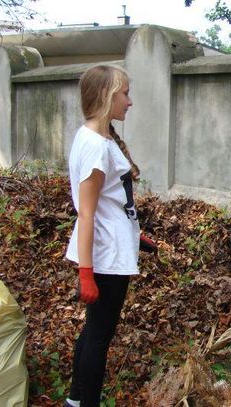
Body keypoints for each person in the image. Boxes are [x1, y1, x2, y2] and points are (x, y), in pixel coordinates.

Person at [63, 64, 154, 407]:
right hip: (104, 254)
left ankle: (74, 400)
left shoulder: (95, 137)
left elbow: (107, 202)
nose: (129, 101)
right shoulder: (97, 147)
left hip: (112, 245)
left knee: (93, 331)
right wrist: (86, 274)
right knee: (99, 337)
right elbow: (86, 213)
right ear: (106, 95)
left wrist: (136, 238)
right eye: (125, 93)